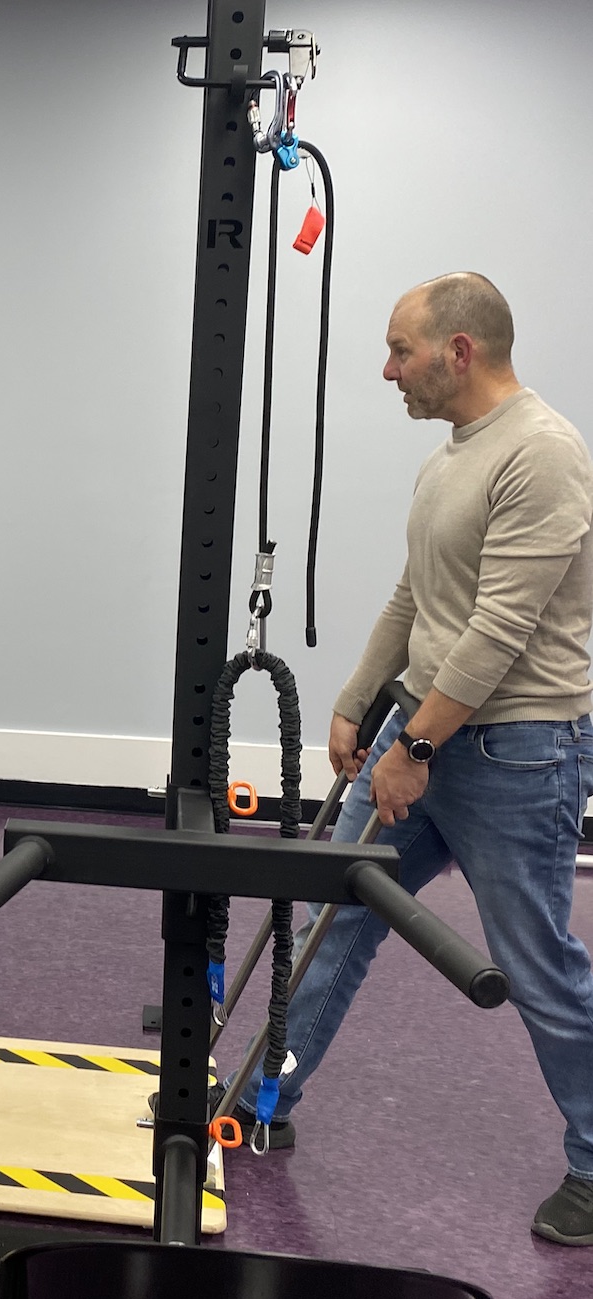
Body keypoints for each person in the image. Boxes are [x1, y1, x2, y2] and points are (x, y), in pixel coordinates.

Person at [221, 273, 593, 1246]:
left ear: (457, 351)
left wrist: (415, 745)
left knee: (534, 964)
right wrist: (353, 700)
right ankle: (262, 1093)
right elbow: (414, 598)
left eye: (398, 349)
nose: (386, 369)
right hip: (419, 732)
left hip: (515, 751)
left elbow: (497, 631)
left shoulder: (542, 455)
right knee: (333, 914)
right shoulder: (449, 459)